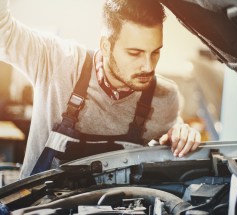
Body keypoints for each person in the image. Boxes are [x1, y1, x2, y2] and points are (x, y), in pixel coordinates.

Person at [0, 0, 201, 179]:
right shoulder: (56, 61)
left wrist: (181, 136)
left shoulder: (165, 97)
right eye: (135, 53)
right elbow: (3, 33)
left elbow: (172, 140)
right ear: (105, 46)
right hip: (38, 208)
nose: (148, 67)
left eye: (155, 52)